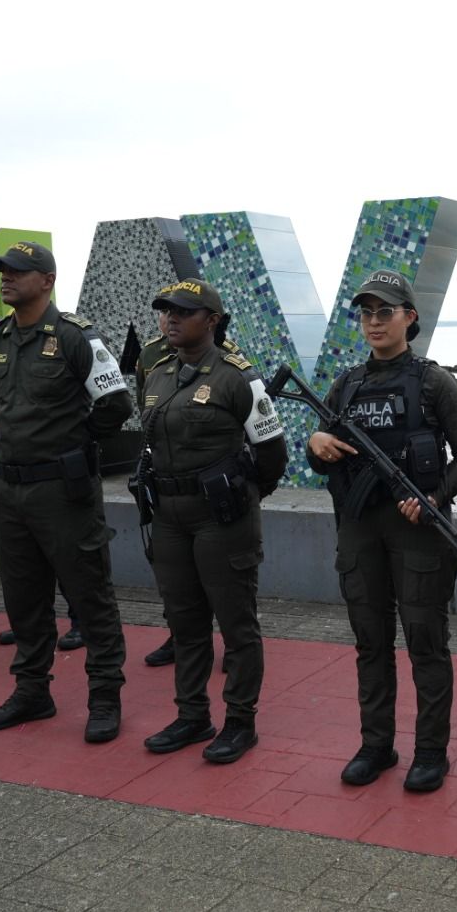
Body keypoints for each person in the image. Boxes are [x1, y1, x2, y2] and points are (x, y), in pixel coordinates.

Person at [307, 270, 457, 791]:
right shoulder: (348, 384)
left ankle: (431, 751)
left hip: (419, 530)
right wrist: (316, 444)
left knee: (426, 642)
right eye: (366, 313)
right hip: (361, 531)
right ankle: (376, 746)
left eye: (386, 312)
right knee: (370, 641)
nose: (375, 322)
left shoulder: (435, 382)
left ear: (410, 318)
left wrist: (434, 497)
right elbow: (327, 456)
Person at [0, 241, 132, 744]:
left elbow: (114, 405)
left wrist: (70, 445)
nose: (6, 278)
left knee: (91, 596)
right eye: (2, 271)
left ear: (46, 279)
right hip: (12, 493)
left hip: (64, 493)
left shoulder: (76, 337)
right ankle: (32, 691)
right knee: (24, 599)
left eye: (18, 272)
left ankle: (105, 696)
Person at [139, 279, 287, 763]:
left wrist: (242, 500)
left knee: (236, 625)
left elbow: (272, 454)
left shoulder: (238, 377)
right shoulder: (157, 373)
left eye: (184, 311)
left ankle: (240, 722)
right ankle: (192, 715)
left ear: (213, 320)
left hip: (221, 519)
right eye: (166, 310)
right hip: (169, 517)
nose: (171, 318)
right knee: (184, 622)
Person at [132, 306, 178, 669]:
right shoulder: (149, 354)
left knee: (221, 573)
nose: (167, 319)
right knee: (165, 560)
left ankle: (234, 641)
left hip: (208, 473)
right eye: (163, 312)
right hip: (160, 469)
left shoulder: (226, 356)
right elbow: (142, 404)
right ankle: (178, 633)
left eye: (176, 312)